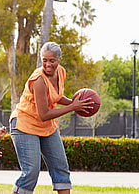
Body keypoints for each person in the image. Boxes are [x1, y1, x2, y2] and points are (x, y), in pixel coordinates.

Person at [9, 41, 93, 194]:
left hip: (47, 127)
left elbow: (55, 97)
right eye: (44, 60)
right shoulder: (38, 80)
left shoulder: (60, 72)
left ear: (59, 60)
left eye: (52, 60)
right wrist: (72, 107)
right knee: (31, 172)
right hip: (24, 125)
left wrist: (76, 103)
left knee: (61, 168)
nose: (48, 64)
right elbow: (44, 114)